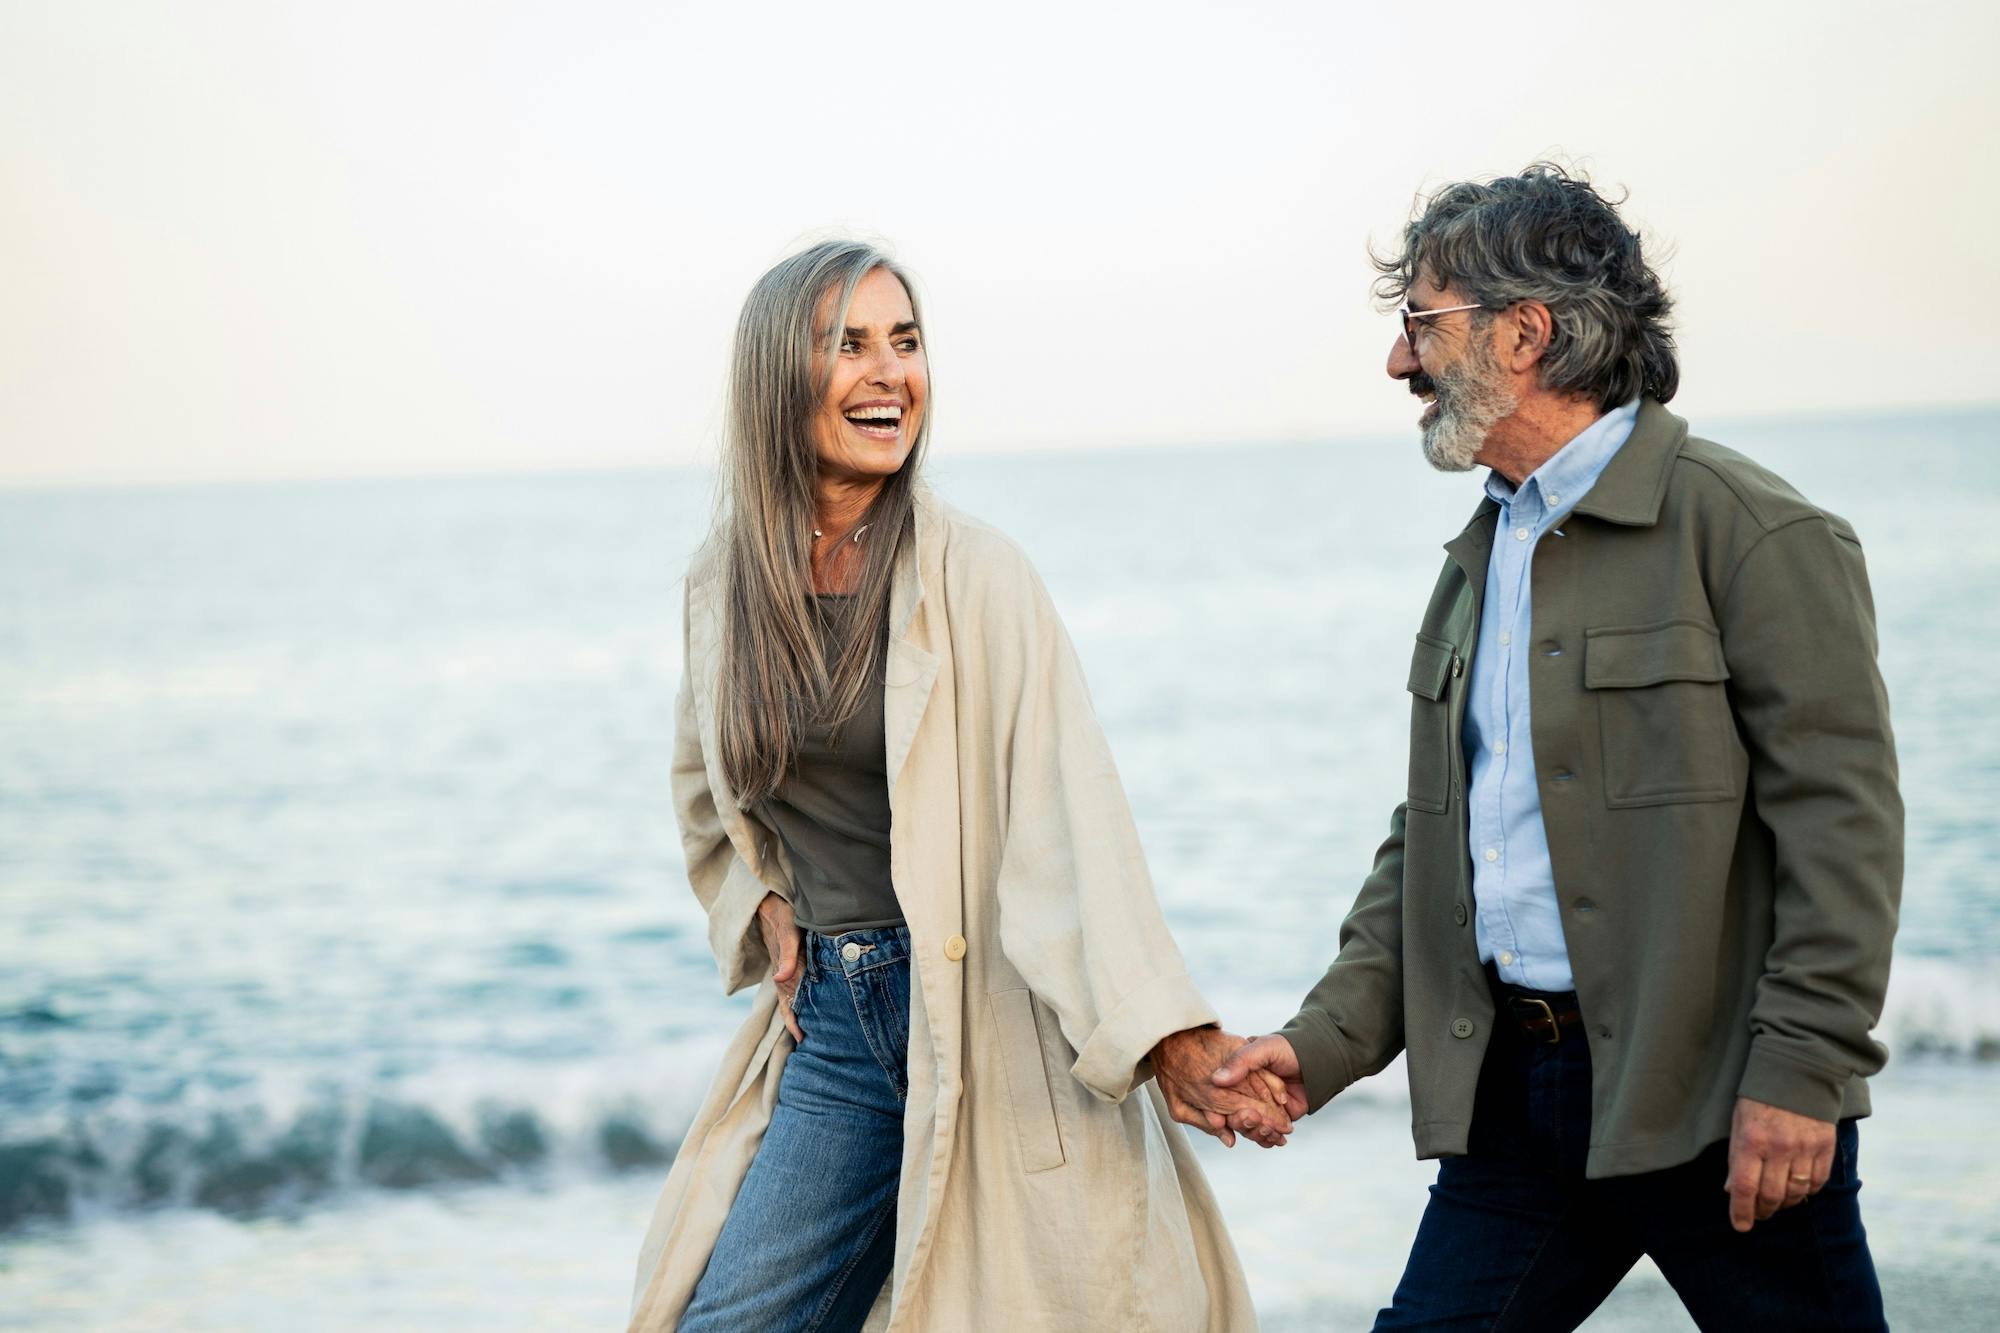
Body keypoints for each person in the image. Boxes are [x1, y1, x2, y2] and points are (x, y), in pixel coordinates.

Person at [1213, 165, 1902, 1329]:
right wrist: (1316, 1046)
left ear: (1523, 331)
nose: (1398, 362)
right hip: (1512, 1106)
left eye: (1419, 323)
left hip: (1720, 1102)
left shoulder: (1751, 532)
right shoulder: (1475, 560)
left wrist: (1799, 1075)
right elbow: (1432, 849)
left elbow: (1844, 834)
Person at [628, 239, 1285, 1333]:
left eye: (906, 342)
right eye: (849, 346)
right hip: (836, 1027)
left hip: (988, 1024)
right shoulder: (723, 586)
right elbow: (704, 781)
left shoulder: (974, 575)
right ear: (773, 380)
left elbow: (1068, 815)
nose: (890, 375)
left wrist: (1168, 1036)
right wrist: (760, 903)